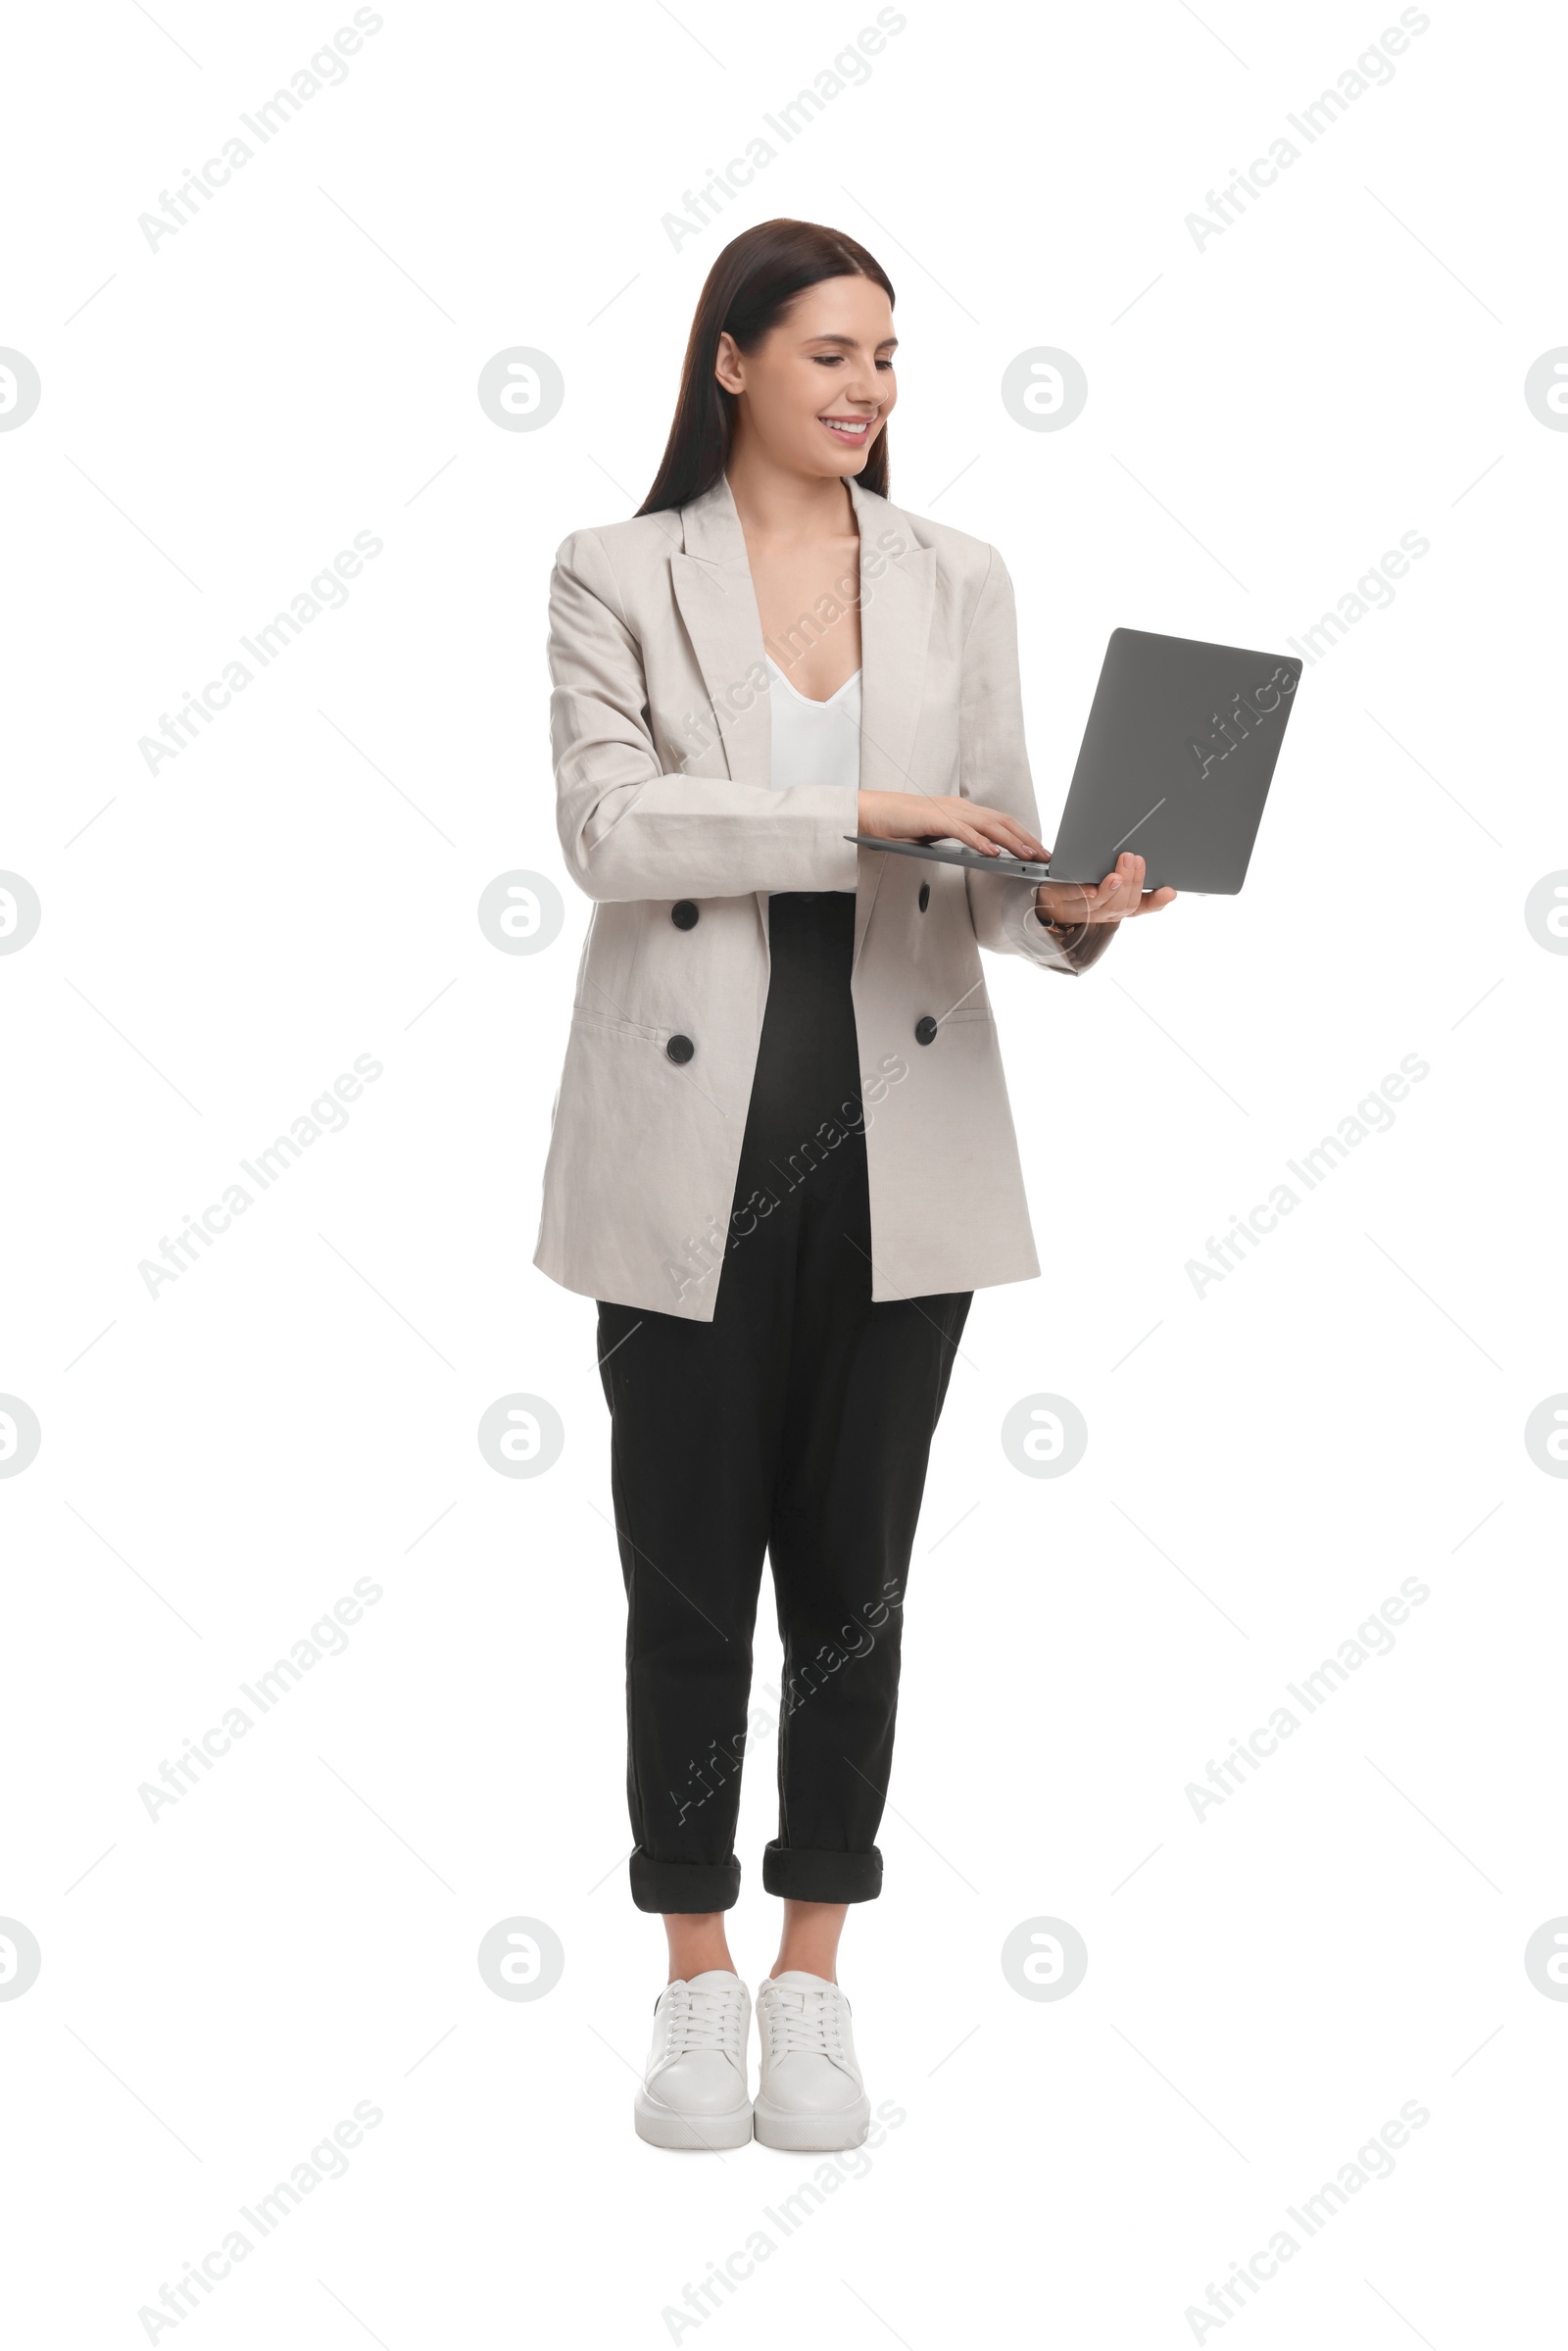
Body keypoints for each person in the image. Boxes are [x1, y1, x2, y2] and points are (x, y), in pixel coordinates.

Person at [536, 219, 1175, 2151]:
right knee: (679, 1586)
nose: (867, 387)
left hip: (901, 1149)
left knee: (853, 1590)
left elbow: (983, 864)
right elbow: (605, 827)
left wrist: (1068, 906)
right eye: (826, 352)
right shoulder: (610, 571)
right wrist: (856, 809)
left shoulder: (954, 576)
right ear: (728, 362)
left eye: (886, 356)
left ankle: (813, 1978)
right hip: (680, 1154)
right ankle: (691, 1980)